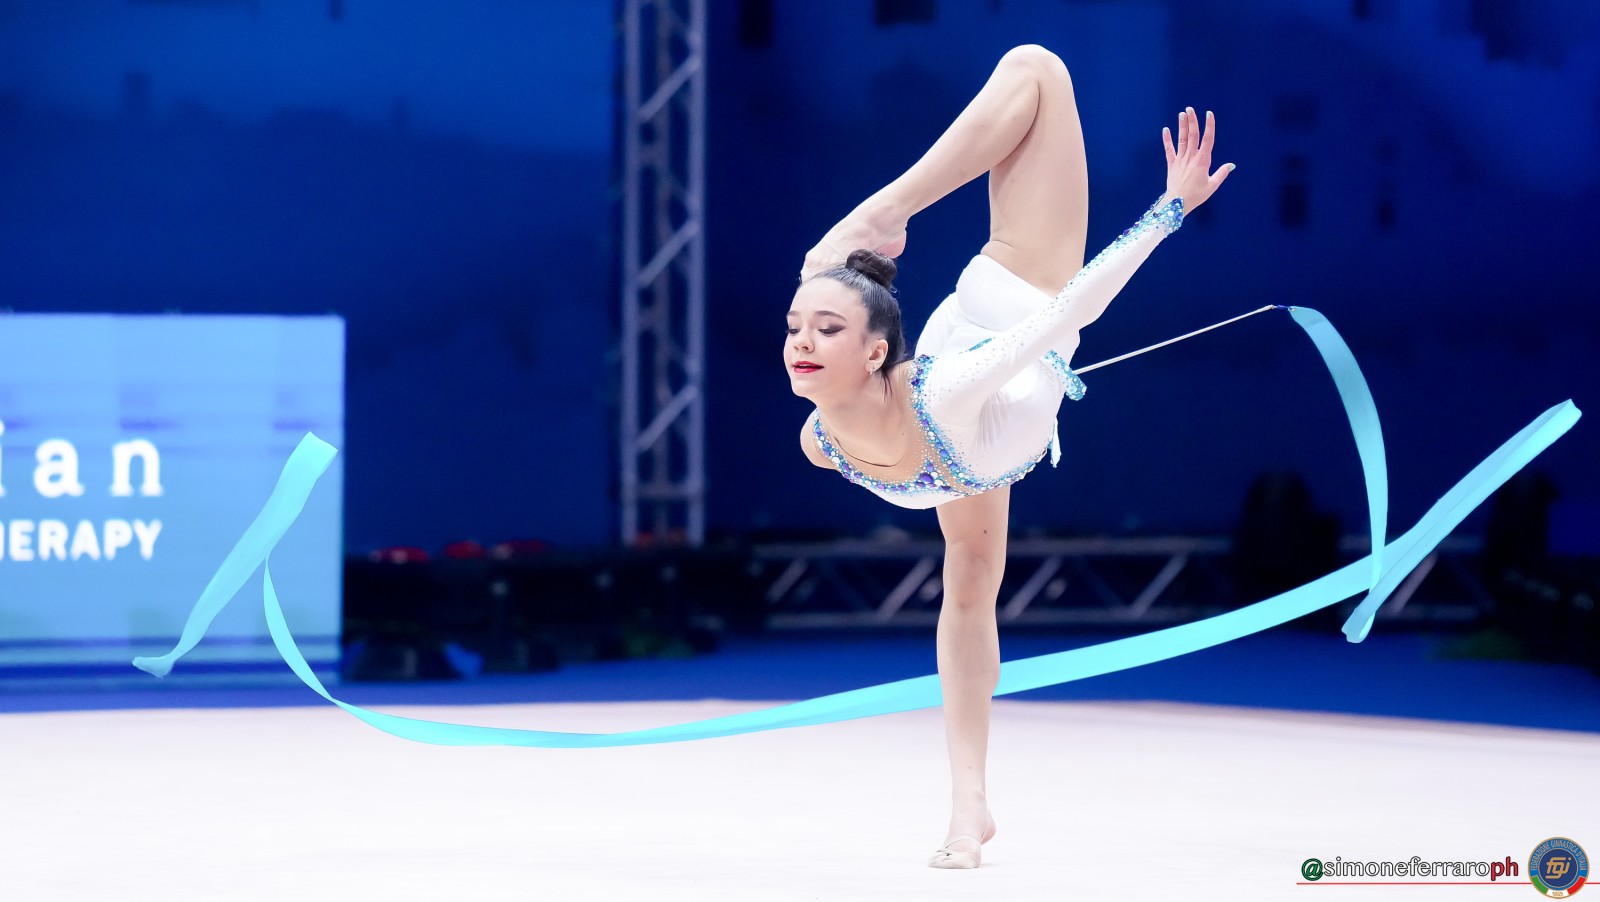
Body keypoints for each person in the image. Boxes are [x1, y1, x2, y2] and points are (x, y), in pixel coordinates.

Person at [784, 45, 1233, 869]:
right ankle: (971, 807)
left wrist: (1171, 209)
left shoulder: (939, 395)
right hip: (961, 435)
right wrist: (828, 302)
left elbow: (1070, 310)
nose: (799, 344)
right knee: (967, 588)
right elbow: (846, 339)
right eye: (794, 331)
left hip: (1010, 304)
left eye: (822, 331)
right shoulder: (821, 441)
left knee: (1038, 69)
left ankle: (887, 214)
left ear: (877, 354)